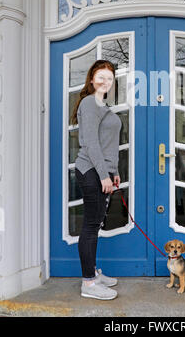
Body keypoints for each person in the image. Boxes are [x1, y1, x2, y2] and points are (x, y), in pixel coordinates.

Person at [71, 59, 122, 300]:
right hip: (90, 170)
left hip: (101, 171)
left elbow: (108, 145)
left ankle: (93, 273)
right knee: (91, 227)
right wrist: (103, 175)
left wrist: (114, 171)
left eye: (110, 79)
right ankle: (89, 283)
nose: (105, 82)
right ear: (92, 79)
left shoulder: (102, 106)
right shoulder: (90, 103)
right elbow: (91, 144)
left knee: (95, 224)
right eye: (101, 77)